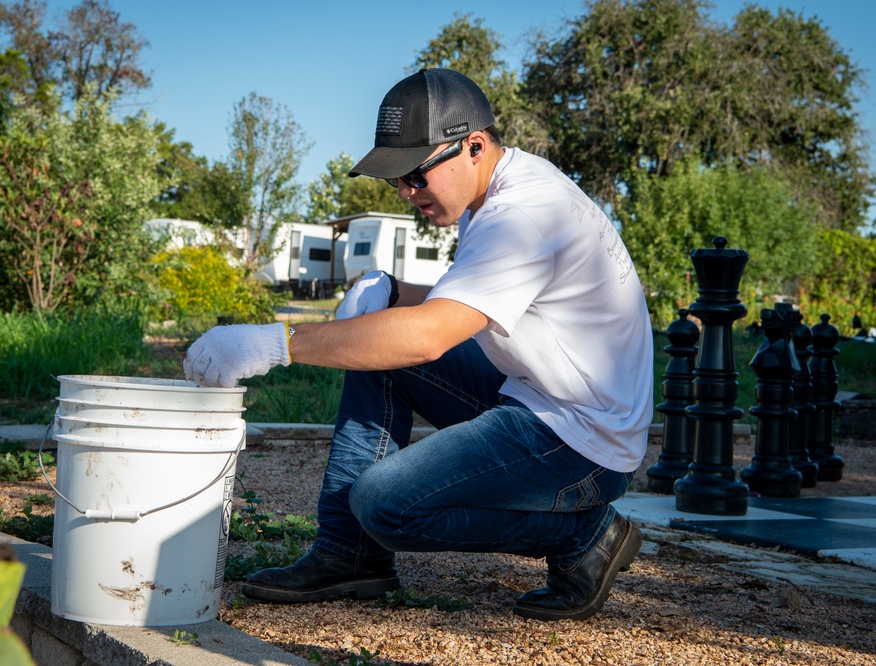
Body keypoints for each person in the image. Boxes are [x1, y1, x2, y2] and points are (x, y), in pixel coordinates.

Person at [183, 68, 654, 621]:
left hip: (582, 443)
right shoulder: (496, 191)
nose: (407, 192)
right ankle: (349, 554)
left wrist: (273, 342)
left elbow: (430, 337)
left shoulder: (522, 213)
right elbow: (481, 298)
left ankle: (586, 535)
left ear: (473, 146)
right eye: (396, 179)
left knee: (386, 504)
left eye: (415, 174)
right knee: (380, 336)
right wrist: (394, 292)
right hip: (540, 397)